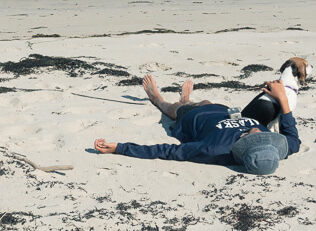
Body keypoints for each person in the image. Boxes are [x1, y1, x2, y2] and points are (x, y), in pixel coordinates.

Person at [93, 75, 300, 175]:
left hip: (192, 119)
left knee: (175, 108)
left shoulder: (214, 149)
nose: (257, 130)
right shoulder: (275, 149)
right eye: (264, 136)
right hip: (223, 110)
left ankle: (158, 99)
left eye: (255, 136)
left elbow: (168, 151)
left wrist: (119, 148)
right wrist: (282, 98)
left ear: (243, 146)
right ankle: (186, 97)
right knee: (207, 102)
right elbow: (292, 137)